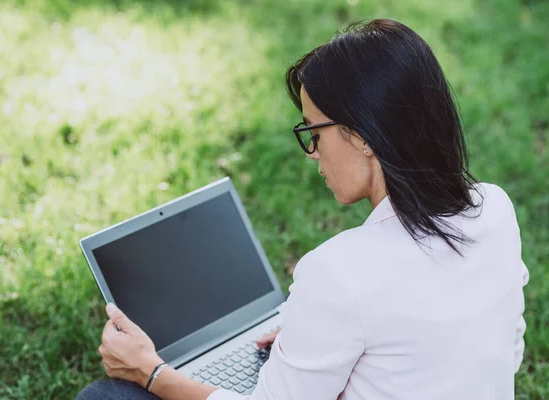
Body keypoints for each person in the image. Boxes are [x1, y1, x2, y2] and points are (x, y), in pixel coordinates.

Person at [76, 19, 528, 400]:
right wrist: (324, 346)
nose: (312, 152)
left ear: (363, 136)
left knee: (107, 396)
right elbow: (501, 351)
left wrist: (151, 373)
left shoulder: (340, 272)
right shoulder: (494, 208)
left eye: (315, 131)